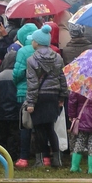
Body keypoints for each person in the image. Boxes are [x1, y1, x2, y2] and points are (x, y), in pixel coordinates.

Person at [24, 24, 68, 168]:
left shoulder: (32, 60)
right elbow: (62, 78)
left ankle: (40, 160)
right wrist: (62, 96)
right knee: (50, 128)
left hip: (39, 97)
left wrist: (30, 103)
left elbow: (32, 83)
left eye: (33, 40)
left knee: (38, 129)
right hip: (53, 96)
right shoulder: (58, 58)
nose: (32, 42)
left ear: (37, 42)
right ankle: (57, 159)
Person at [11, 22, 39, 168]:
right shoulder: (44, 49)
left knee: (25, 126)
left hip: (24, 93)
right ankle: (43, 156)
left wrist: (17, 84)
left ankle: (23, 157)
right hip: (41, 93)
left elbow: (17, 73)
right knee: (40, 126)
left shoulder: (22, 51)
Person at [0, 50, 19, 161]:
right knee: (14, 133)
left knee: (2, 133)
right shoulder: (18, 76)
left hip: (1, 110)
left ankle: (1, 154)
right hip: (15, 110)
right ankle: (13, 155)